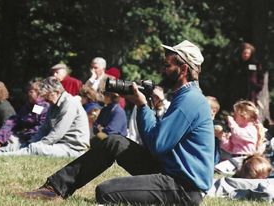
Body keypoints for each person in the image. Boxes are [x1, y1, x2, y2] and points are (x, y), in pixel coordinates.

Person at [19, 40, 214, 206]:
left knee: (106, 191)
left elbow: (157, 144)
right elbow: (156, 139)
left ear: (184, 69)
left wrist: (143, 106)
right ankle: (55, 188)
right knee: (114, 141)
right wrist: (148, 107)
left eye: (168, 65)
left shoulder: (190, 100)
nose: (163, 68)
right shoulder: (184, 96)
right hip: (169, 170)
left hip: (184, 188)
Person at [0, 77, 90, 157]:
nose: (46, 100)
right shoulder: (53, 105)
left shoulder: (69, 104)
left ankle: (2, 156)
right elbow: (44, 128)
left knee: (36, 148)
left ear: (56, 92)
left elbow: (57, 133)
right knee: (26, 145)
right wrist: (32, 141)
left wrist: (38, 144)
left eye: (47, 96)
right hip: (59, 144)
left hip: (73, 148)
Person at [0, 79, 50, 154]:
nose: (28, 94)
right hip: (22, 136)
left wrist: (26, 134)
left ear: (40, 93)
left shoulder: (46, 107)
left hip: (34, 139)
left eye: (31, 92)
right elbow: (12, 122)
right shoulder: (28, 107)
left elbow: (41, 127)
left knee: (16, 145)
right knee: (10, 138)